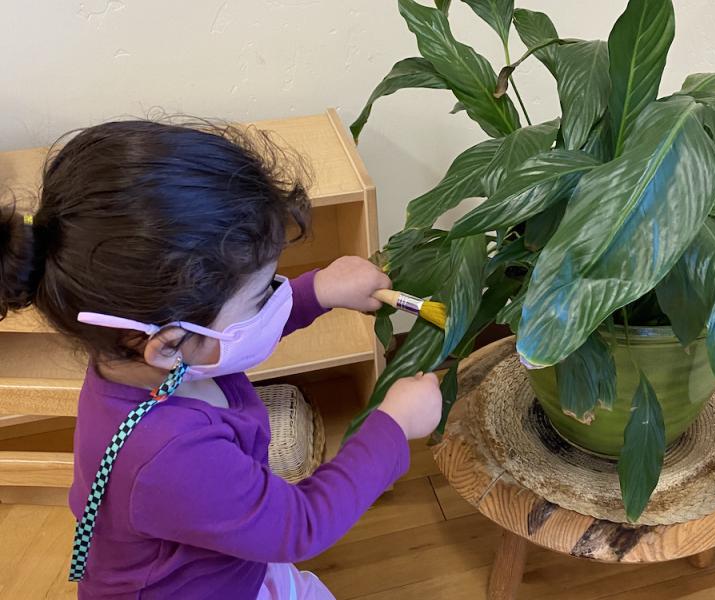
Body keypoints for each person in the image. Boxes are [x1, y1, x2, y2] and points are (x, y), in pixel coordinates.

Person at [0, 120, 443, 599]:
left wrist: (318, 291)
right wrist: (392, 426)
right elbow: (302, 525)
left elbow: (229, 334)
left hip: (228, 561)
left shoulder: (147, 358)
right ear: (167, 344)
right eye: (261, 295)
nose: (271, 304)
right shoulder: (170, 453)